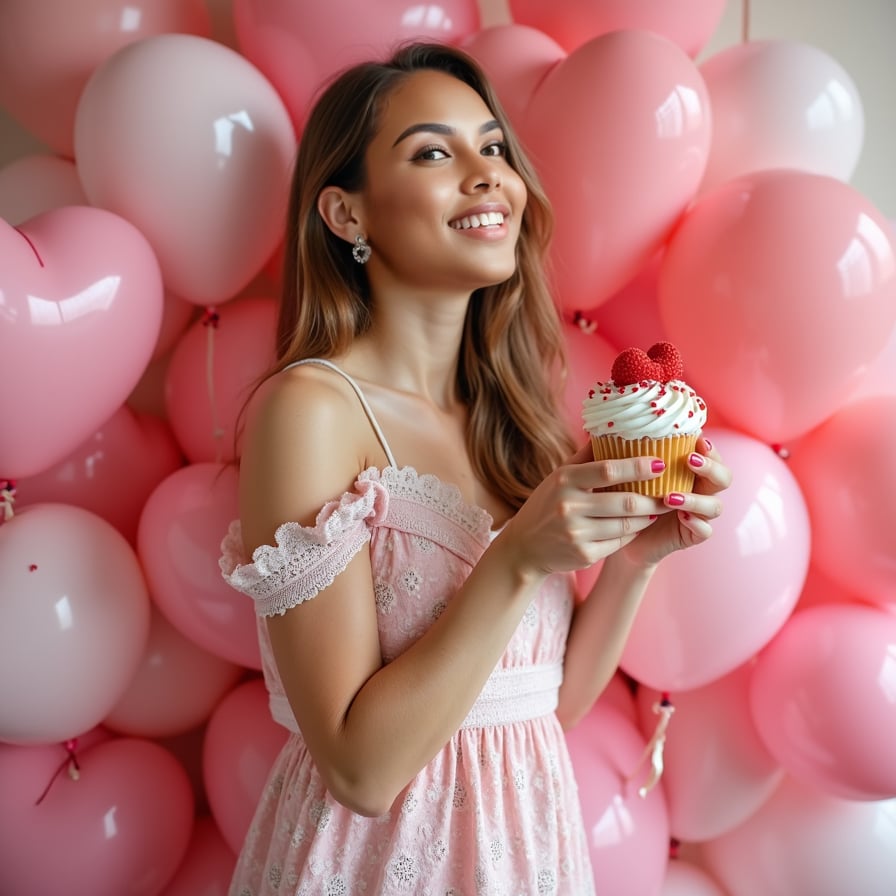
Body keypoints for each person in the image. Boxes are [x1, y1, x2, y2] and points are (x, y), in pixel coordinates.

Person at [219, 40, 731, 895]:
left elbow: (542, 710)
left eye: (493, 148)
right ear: (347, 216)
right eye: (433, 151)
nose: (487, 173)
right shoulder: (311, 411)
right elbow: (359, 771)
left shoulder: (512, 420)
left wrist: (637, 559)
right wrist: (519, 554)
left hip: (526, 851)